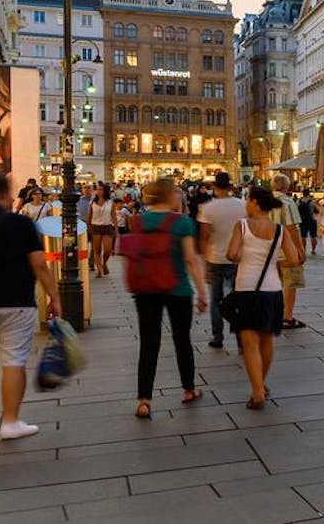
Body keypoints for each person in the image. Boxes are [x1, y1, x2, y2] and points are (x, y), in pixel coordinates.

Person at [0, 171, 61, 440]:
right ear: (6, 194)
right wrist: (54, 296)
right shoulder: (20, 224)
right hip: (17, 302)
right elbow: (38, 265)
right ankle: (10, 422)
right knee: (14, 360)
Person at [129, 177, 207, 418]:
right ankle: (188, 389)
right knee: (182, 340)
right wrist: (202, 291)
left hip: (146, 289)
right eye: (175, 193)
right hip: (178, 288)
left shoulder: (137, 221)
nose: (178, 196)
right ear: (168, 196)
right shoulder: (182, 223)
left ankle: (144, 400)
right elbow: (191, 260)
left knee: (149, 344)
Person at [226, 186, 303, 409]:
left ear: (256, 203)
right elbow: (295, 259)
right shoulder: (280, 230)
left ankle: (257, 392)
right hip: (272, 290)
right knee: (267, 340)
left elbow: (231, 254)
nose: (245, 204)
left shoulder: (241, 226)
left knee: (250, 343)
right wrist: (276, 263)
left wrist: (244, 257)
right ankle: (262, 384)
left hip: (246, 288)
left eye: (247, 200)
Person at [196, 171, 247, 349]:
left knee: (216, 299)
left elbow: (204, 237)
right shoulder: (243, 205)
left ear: (215, 187)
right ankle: (241, 335)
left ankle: (217, 336)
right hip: (238, 258)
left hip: (215, 258)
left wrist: (204, 264)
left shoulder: (207, 208)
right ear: (231, 186)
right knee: (239, 298)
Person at [270, 175, 309, 330]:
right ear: (286, 187)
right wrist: (300, 249)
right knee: (289, 283)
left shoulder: (265, 202)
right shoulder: (287, 202)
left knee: (273, 283)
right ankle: (287, 317)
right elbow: (292, 228)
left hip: (269, 248)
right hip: (286, 249)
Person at [87, 184, 115, 277]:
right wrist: (89, 227)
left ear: (105, 191)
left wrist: (116, 229)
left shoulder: (110, 202)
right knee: (97, 250)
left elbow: (114, 216)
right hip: (96, 226)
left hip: (107, 226)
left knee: (107, 249)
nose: (98, 191)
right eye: (97, 189)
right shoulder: (92, 202)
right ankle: (99, 269)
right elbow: (89, 216)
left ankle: (104, 263)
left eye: (101, 189)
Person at [296, 191, 317, 258]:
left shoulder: (298, 201)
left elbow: (296, 210)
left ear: (303, 194)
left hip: (302, 221)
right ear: (308, 194)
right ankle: (313, 250)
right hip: (311, 220)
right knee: (313, 236)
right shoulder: (312, 202)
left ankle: (304, 250)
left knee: (303, 236)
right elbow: (317, 210)